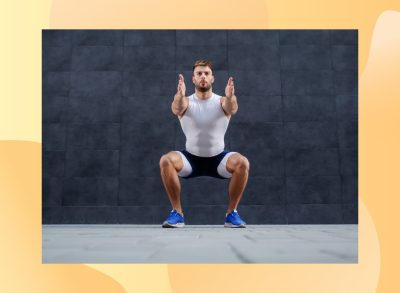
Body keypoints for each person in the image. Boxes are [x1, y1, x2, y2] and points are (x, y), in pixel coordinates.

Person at [159, 60, 250, 228]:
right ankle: (177, 214)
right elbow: (177, 108)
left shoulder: (222, 101)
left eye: (206, 73)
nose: (203, 76)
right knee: (166, 160)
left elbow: (232, 108)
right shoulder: (186, 101)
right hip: (190, 160)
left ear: (212, 78)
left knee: (242, 163)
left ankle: (232, 214)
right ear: (193, 79)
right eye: (199, 73)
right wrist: (179, 95)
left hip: (218, 160)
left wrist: (230, 96)